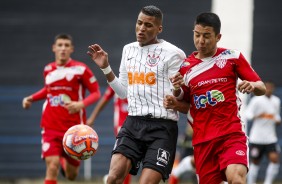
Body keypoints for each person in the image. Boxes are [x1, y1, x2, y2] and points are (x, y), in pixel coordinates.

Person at [87, 5, 188, 184]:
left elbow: (179, 94)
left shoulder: (174, 53)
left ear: (159, 28)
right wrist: (105, 68)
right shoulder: (129, 50)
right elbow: (122, 92)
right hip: (133, 123)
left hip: (162, 128)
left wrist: (177, 90)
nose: (141, 28)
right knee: (113, 178)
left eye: (148, 25)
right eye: (139, 23)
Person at [168, 12, 266, 184]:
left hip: (231, 134)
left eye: (206, 36)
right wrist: (175, 92)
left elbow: (261, 87)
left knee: (236, 178)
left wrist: (252, 85)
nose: (201, 41)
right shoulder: (185, 67)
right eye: (197, 35)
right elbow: (184, 103)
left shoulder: (232, 57)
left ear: (218, 36)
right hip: (203, 141)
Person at [22, 34, 101, 184]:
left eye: (66, 45)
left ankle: (65, 161)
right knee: (52, 167)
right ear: (54, 48)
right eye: (60, 45)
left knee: (71, 175)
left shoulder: (81, 69)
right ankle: (58, 161)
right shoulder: (48, 69)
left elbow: (96, 93)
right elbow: (48, 90)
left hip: (74, 129)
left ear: (71, 49)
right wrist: (31, 98)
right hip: (50, 126)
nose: (63, 48)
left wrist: (80, 104)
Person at [86, 85, 131, 184]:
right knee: (126, 155)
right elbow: (104, 100)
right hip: (122, 126)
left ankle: (113, 177)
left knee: (130, 158)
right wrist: (92, 117)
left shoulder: (141, 79)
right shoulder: (117, 82)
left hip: (139, 124)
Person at [246, 81, 281, 184]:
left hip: (271, 138)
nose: (269, 90)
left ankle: (268, 182)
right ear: (264, 88)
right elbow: (248, 114)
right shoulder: (256, 100)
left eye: (271, 88)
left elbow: (277, 116)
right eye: (267, 88)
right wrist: (259, 115)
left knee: (274, 159)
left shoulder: (276, 101)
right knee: (255, 162)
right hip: (257, 138)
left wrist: (277, 120)